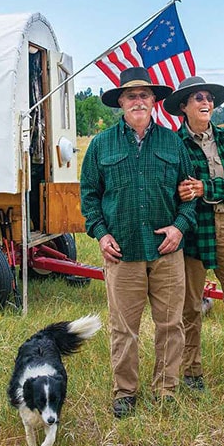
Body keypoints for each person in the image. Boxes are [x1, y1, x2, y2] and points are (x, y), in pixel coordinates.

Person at [80, 67, 197, 418]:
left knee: (170, 325)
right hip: (123, 251)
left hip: (167, 251)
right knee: (123, 328)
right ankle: (125, 393)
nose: (138, 101)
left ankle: (166, 391)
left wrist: (178, 227)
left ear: (154, 101)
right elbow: (89, 196)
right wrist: (101, 233)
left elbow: (189, 194)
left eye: (145, 95)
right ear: (120, 102)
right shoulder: (101, 145)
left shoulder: (172, 143)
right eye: (131, 95)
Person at [164, 75, 224, 390]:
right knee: (190, 304)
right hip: (193, 227)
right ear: (184, 108)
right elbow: (174, 188)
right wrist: (186, 193)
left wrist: (207, 187)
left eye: (209, 98)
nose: (206, 103)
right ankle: (191, 372)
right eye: (198, 99)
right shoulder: (174, 145)